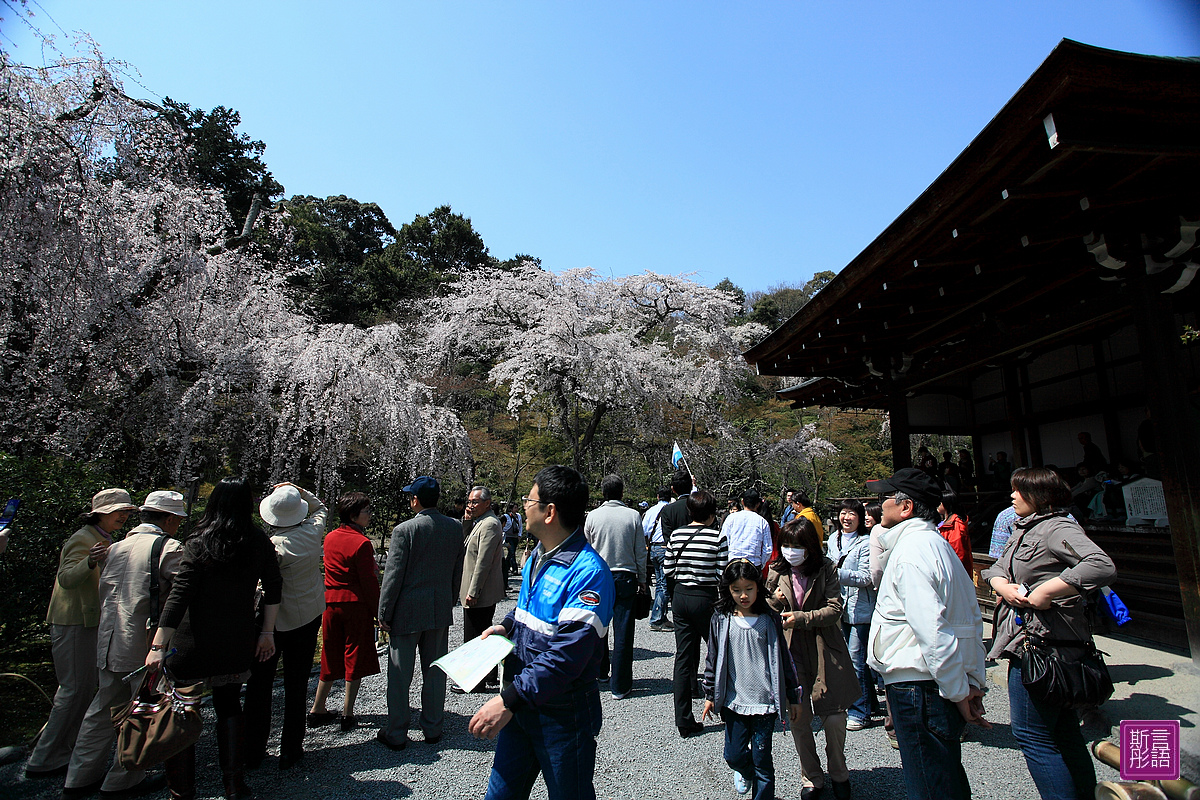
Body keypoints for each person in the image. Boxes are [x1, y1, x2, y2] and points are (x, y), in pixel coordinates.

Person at [468, 465, 614, 800]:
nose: (523, 506)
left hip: (564, 711)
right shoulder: (538, 554)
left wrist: (507, 700)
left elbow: (566, 657)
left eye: (528, 499)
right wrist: (506, 625)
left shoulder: (589, 573)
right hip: (523, 698)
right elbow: (527, 608)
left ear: (550, 512)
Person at [982, 467, 1117, 800]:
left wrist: (1049, 590)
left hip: (1044, 646)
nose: (1012, 496)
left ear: (1037, 495)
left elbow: (1101, 564)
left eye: (1018, 490)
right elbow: (997, 567)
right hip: (1031, 642)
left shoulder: (1056, 527)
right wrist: (1002, 585)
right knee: (1065, 732)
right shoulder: (1024, 528)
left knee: (1032, 736)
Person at [146, 477, 283, 800]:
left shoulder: (199, 541)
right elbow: (274, 588)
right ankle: (234, 784)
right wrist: (266, 633)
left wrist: (157, 645)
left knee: (182, 711)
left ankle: (182, 791)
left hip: (193, 639)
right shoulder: (257, 540)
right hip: (236, 637)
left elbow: (179, 596)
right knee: (229, 704)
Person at [865, 468, 989, 800]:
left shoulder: (911, 552)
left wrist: (959, 691)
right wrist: (970, 681)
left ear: (905, 507)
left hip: (918, 687)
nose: (878, 506)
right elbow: (967, 620)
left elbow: (933, 632)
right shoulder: (934, 545)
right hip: (933, 685)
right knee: (944, 778)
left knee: (930, 784)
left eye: (884, 498)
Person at [61, 491, 185, 799]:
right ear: (169, 519)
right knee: (143, 709)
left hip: (108, 640)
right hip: (142, 645)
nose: (179, 525)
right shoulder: (168, 548)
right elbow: (185, 592)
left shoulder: (115, 547)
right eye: (179, 520)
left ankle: (78, 779)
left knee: (101, 710)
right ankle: (121, 780)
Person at [25, 488, 137, 779]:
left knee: (85, 689)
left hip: (90, 622)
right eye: (118, 511)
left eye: (126, 512)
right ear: (100, 512)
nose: (123, 516)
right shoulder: (83, 539)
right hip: (73, 622)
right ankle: (45, 756)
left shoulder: (106, 538)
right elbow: (66, 578)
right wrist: (89, 560)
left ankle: (66, 749)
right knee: (73, 689)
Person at [766, 516, 859, 799]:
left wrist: (804, 618)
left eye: (797, 546)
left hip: (824, 648)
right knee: (799, 717)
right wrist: (775, 600)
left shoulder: (827, 569)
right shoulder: (775, 570)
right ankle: (811, 776)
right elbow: (764, 610)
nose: (790, 551)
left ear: (810, 547)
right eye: (786, 545)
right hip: (790, 651)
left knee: (833, 716)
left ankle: (839, 771)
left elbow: (835, 608)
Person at [376, 476, 464, 750]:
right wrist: (450, 598)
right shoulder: (454, 527)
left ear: (415, 499)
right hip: (438, 607)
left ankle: (397, 732)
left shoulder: (405, 530)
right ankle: (433, 727)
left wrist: (384, 612)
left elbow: (393, 576)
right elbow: (457, 570)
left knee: (401, 674)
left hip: (407, 609)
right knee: (436, 670)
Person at [244, 483, 328, 768]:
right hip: (309, 615)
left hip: (275, 623)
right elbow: (321, 508)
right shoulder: (313, 531)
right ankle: (292, 748)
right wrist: (298, 490)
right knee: (297, 683)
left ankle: (253, 748)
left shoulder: (273, 547)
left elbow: (265, 587)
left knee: (260, 686)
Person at [702, 560, 801, 800]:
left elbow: (784, 661)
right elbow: (712, 658)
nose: (743, 595)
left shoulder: (769, 620)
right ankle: (746, 773)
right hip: (734, 701)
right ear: (728, 589)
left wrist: (792, 696)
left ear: (758, 587)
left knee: (762, 759)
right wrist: (709, 694)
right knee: (733, 755)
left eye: (749, 588)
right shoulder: (722, 619)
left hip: (764, 702)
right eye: (736, 589)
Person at [309, 492, 380, 731]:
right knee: (354, 656)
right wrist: (378, 611)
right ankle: (348, 712)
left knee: (330, 653)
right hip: (355, 604)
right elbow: (368, 582)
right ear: (353, 515)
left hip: (330, 604)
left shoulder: (329, 538)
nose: (370, 515)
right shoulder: (361, 543)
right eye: (366, 511)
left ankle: (317, 707)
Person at [663, 489, 728, 737]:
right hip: (706, 597)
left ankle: (684, 719)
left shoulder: (677, 535)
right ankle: (724, 705)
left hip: (681, 597)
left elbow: (668, 569)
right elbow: (722, 575)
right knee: (718, 651)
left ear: (689, 511)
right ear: (712, 513)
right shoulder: (717, 538)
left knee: (684, 656)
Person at [583, 474, 646, 700]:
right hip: (626, 576)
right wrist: (643, 579)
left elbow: (586, 550)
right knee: (624, 631)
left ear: (603, 493)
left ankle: (600, 672)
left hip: (598, 577)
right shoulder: (633, 516)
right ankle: (620, 685)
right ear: (621, 492)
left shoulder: (593, 517)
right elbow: (640, 549)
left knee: (598, 627)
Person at [827, 499, 879, 732]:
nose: (846, 518)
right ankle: (871, 703)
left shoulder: (867, 543)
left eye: (851, 514)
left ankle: (860, 711)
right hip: (840, 606)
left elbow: (866, 577)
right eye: (843, 513)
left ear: (860, 518)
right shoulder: (833, 539)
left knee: (856, 660)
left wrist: (836, 573)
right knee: (851, 660)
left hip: (860, 608)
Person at [455, 485, 505, 692]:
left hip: (480, 591)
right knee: (483, 632)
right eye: (469, 502)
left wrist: (474, 591)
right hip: (475, 588)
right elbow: (464, 542)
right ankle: (490, 676)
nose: (471, 505)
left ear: (487, 503)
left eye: (475, 502)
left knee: (475, 636)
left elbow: (483, 562)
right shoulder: (480, 522)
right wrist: (467, 519)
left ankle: (475, 681)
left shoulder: (490, 524)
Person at [642, 487, 673, 631]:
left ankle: (662, 616)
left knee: (660, 582)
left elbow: (644, 530)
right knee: (664, 584)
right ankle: (657, 618)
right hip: (665, 547)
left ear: (657, 496)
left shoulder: (650, 511)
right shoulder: (671, 509)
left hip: (653, 548)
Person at [721, 489, 773, 568]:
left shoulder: (731, 518)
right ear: (758, 504)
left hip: (733, 563)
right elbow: (768, 549)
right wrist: (760, 565)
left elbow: (723, 541)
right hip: (753, 564)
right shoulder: (762, 522)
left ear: (742, 502)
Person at [936, 490, 973, 577]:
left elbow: (958, 552)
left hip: (954, 571)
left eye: (939, 502)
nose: (936, 505)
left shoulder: (956, 524)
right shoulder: (946, 521)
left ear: (946, 504)